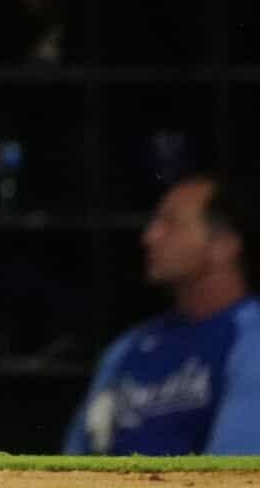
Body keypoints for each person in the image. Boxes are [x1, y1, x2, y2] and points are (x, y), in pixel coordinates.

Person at [66, 176, 260, 454]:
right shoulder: (129, 348)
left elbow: (236, 474)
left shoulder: (250, 340)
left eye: (170, 224)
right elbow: (72, 462)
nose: (150, 237)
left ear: (224, 244)